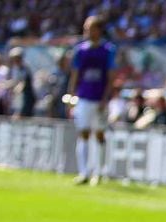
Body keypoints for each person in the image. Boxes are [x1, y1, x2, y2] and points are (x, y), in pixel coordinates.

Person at [68, 16, 116, 186]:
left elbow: (111, 76)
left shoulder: (108, 50)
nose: (87, 32)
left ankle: (99, 172)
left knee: (100, 134)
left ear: (99, 30)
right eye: (85, 29)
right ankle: (84, 172)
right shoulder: (80, 50)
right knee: (84, 133)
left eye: (90, 29)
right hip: (84, 97)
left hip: (99, 98)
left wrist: (105, 97)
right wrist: (72, 95)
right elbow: (75, 74)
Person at [6, 48, 35, 118]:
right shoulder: (13, 69)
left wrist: (17, 88)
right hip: (16, 99)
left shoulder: (25, 69)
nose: (15, 60)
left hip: (26, 98)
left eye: (17, 58)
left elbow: (22, 83)